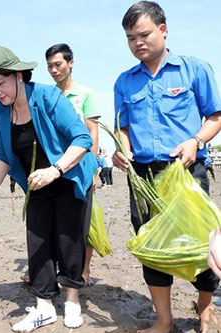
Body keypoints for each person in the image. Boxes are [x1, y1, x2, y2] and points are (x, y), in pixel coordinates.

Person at [0, 46, 97, 331]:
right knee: (38, 243)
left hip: (68, 176)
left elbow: (82, 138)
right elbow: (4, 152)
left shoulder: (48, 96)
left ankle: (73, 300)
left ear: (18, 76)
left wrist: (56, 170)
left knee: (68, 240)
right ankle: (45, 307)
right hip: (35, 183)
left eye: (0, 83)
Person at [112, 2, 221, 332]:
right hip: (143, 175)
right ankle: (164, 319)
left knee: (199, 242)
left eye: (144, 34)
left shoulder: (193, 69)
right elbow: (122, 127)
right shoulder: (124, 81)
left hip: (186, 170)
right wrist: (122, 150)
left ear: (163, 29)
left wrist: (196, 142)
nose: (138, 43)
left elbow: (215, 116)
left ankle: (205, 309)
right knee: (151, 245)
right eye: (131, 38)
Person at [46, 43, 101, 286]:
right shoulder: (48, 95)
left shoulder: (85, 95)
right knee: (55, 222)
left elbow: (93, 132)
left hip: (81, 166)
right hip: (56, 166)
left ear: (71, 63)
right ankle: (55, 270)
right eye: (49, 66)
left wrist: (94, 168)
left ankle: (84, 270)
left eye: (57, 64)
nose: (54, 70)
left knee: (82, 223)